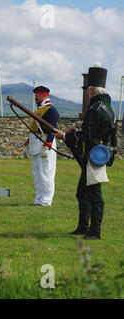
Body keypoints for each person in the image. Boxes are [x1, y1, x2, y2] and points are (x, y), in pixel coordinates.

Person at [53, 65, 116, 240]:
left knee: (94, 195)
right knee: (82, 193)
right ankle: (83, 227)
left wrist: (65, 136)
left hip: (94, 156)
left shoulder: (95, 110)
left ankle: (95, 232)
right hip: (96, 154)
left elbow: (87, 136)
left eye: (88, 90)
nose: (87, 93)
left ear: (93, 91)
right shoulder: (105, 107)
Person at [26, 86, 59, 206]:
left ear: (44, 95)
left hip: (45, 142)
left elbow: (53, 128)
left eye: (37, 95)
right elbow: (35, 127)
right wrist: (28, 140)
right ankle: (39, 199)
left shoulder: (51, 110)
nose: (36, 97)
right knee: (37, 174)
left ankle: (46, 201)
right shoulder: (40, 109)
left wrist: (48, 143)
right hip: (37, 141)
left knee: (46, 173)